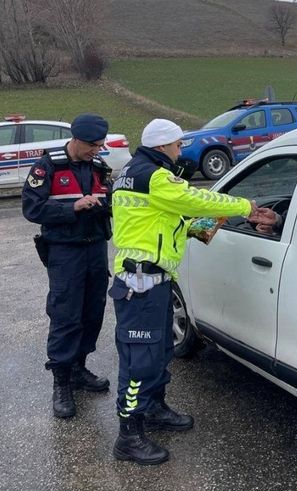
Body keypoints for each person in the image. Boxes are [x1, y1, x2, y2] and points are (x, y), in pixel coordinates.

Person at [109, 118, 266, 465]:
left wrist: (211, 223)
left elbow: (169, 219)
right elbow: (195, 199)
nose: (180, 151)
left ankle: (154, 407)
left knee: (160, 351)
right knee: (139, 362)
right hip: (141, 285)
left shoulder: (132, 173)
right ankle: (128, 436)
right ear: (162, 145)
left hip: (152, 282)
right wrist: (245, 207)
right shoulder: (154, 176)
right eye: (178, 145)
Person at [22, 114, 113, 419]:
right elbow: (31, 208)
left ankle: (79, 369)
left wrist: (106, 206)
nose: (96, 150)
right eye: (92, 145)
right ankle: (61, 383)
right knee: (65, 316)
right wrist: (72, 207)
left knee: (92, 312)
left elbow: (112, 198)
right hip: (65, 252)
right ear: (76, 139)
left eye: (100, 145)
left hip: (96, 248)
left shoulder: (99, 167)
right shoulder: (47, 166)